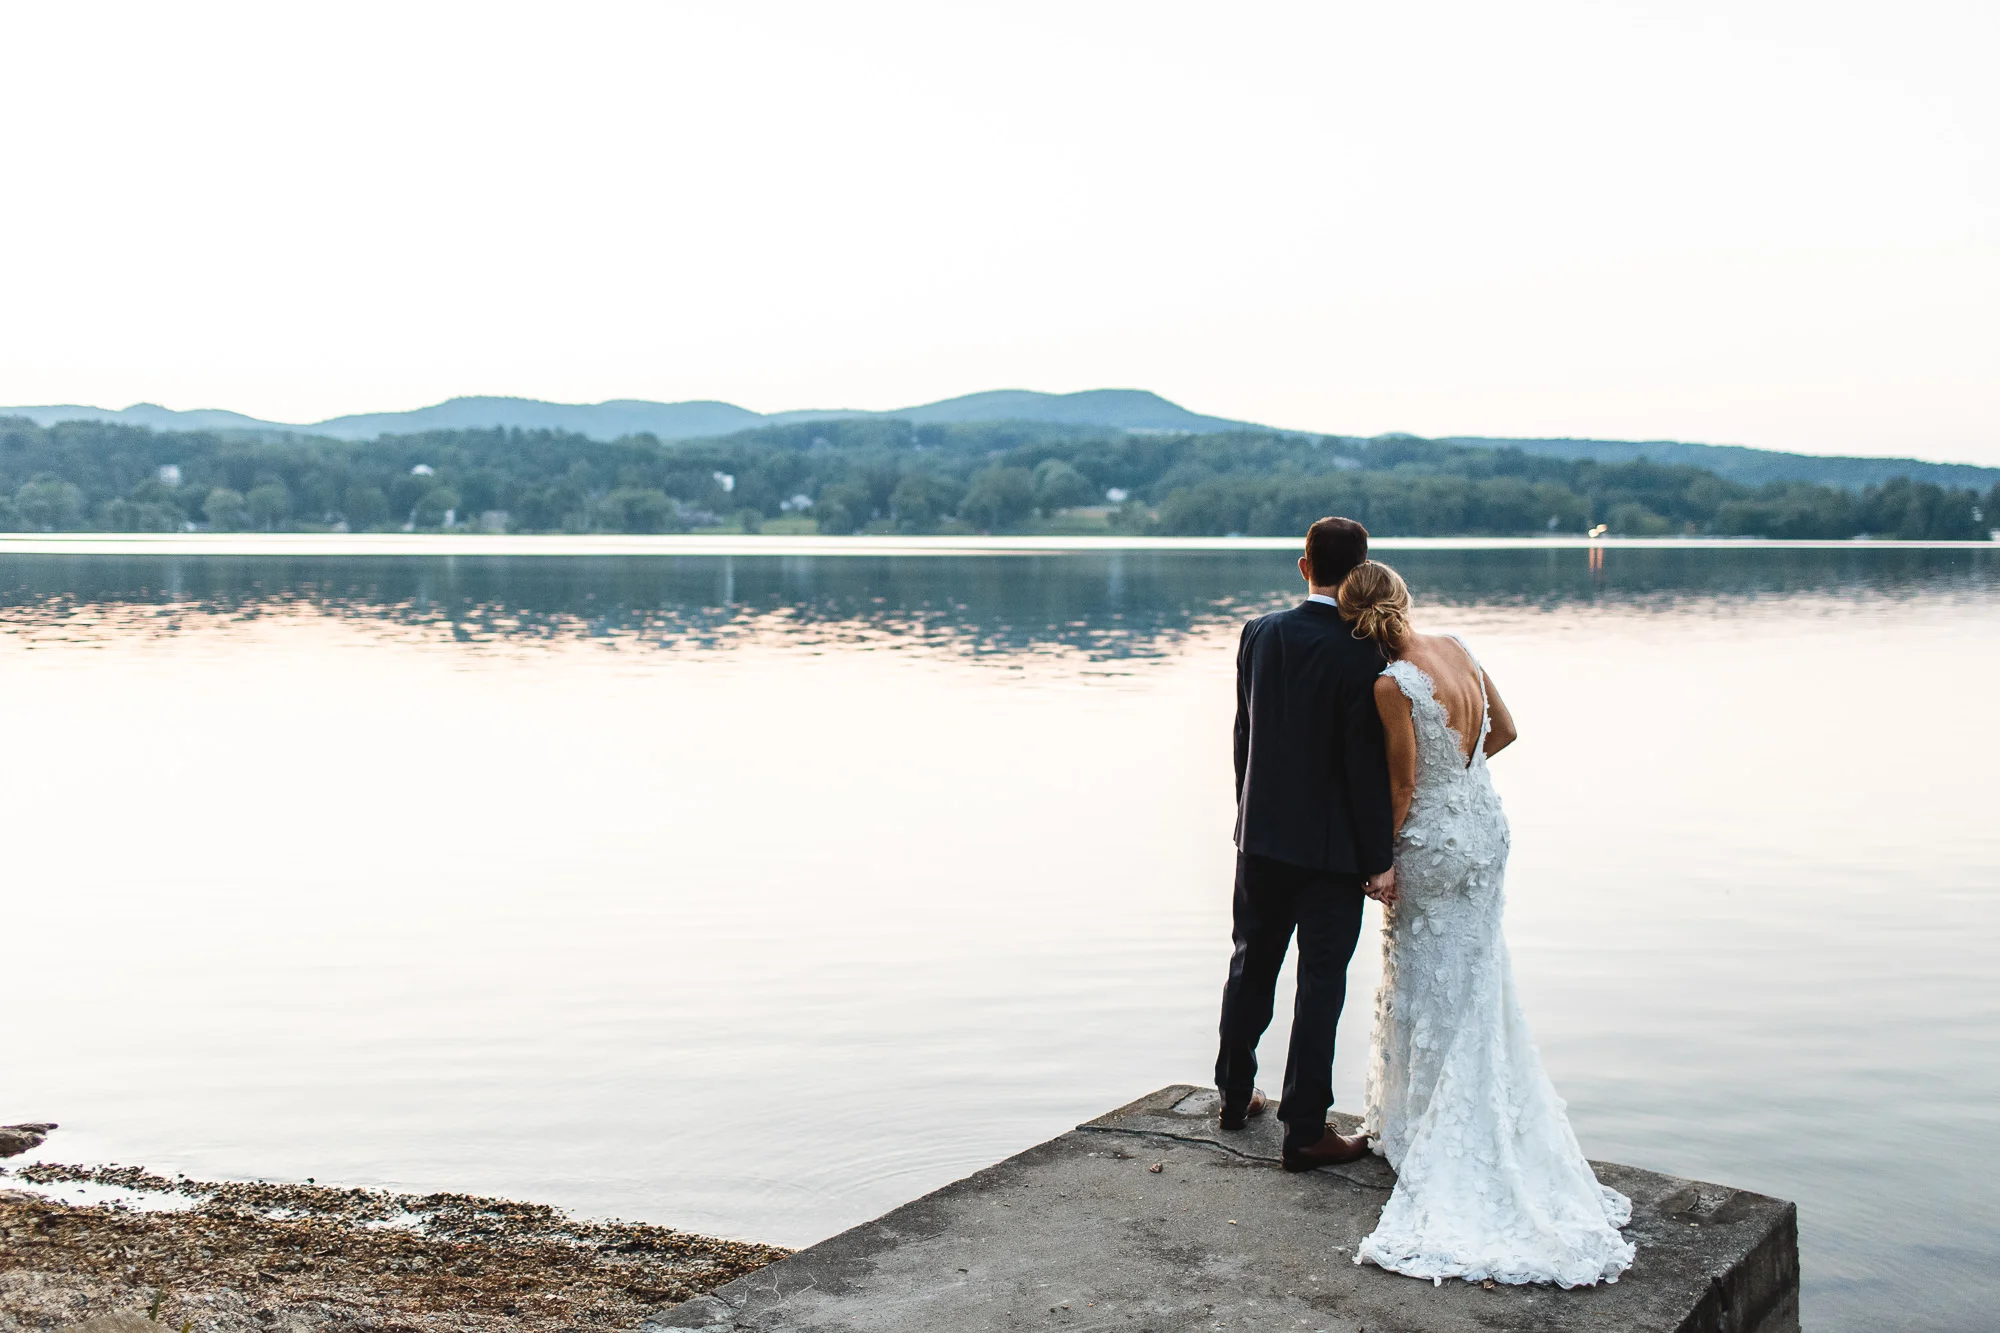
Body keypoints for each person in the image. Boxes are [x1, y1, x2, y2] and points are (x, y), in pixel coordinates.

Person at [1341, 559, 1635, 1287]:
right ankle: (1457, 1115)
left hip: (1433, 842)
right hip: (1483, 826)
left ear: (1355, 623)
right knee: (1478, 974)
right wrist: (1461, 775)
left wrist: (1380, 860)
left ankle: (1435, 1127)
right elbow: (1505, 731)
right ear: (1404, 599)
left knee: (1428, 976)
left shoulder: (1392, 684)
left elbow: (1403, 784)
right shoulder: (1460, 648)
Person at [1215, 516, 1399, 1171]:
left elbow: (1244, 734)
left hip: (1260, 839)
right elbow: (1363, 767)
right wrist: (1379, 858)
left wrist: (1248, 815)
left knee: (1250, 965)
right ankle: (1304, 1129)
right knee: (1320, 984)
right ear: (1361, 571)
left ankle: (1234, 1096)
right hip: (1331, 853)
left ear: (1304, 566)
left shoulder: (1259, 632)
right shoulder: (1364, 651)